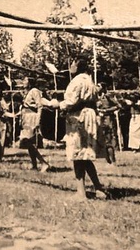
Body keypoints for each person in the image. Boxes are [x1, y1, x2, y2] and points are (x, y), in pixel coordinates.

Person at [48, 59, 106, 200]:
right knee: (84, 154)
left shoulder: (77, 81)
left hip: (79, 117)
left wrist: (56, 104)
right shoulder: (89, 80)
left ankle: (81, 193)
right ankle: (98, 188)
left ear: (78, 66)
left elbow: (71, 101)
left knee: (77, 154)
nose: (70, 66)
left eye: (72, 64)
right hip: (89, 115)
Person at [20, 76, 51, 172]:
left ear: (30, 82)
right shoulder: (28, 92)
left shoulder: (34, 91)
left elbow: (39, 106)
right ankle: (34, 165)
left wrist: (38, 121)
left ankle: (43, 163)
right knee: (29, 143)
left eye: (25, 80)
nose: (23, 82)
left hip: (32, 118)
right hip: (26, 117)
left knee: (27, 141)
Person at [96, 83, 120, 165]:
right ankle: (107, 160)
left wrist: (107, 110)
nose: (97, 87)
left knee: (108, 140)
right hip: (99, 119)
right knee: (101, 141)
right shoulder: (95, 97)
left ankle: (113, 161)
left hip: (108, 119)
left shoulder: (108, 96)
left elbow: (118, 105)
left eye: (98, 86)